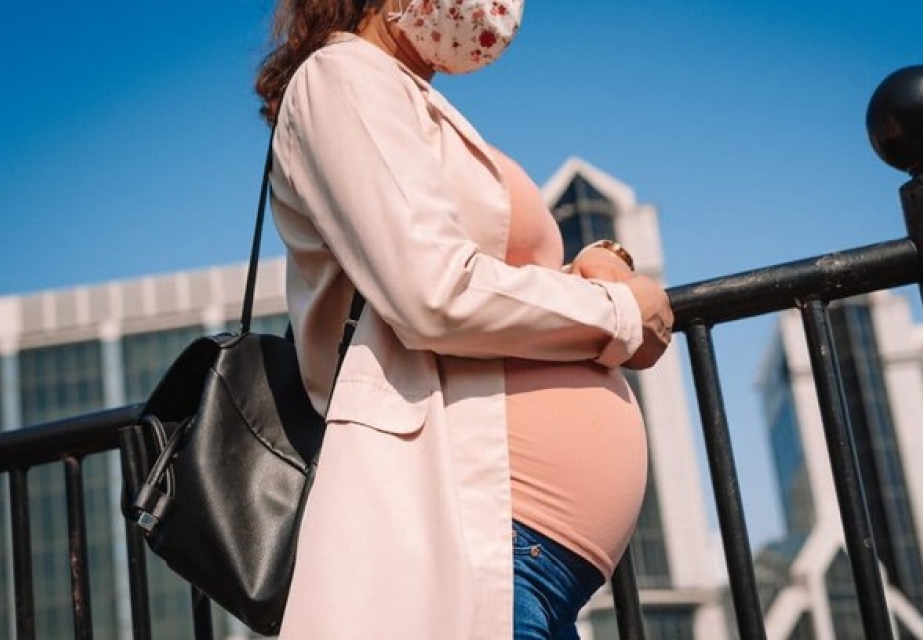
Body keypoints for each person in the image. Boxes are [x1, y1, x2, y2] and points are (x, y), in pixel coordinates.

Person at [254, 1, 674, 637]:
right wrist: (618, 315)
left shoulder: (401, 95)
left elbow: (469, 281)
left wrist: (592, 265)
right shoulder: (341, 76)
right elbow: (432, 293)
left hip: (527, 562)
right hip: (477, 537)